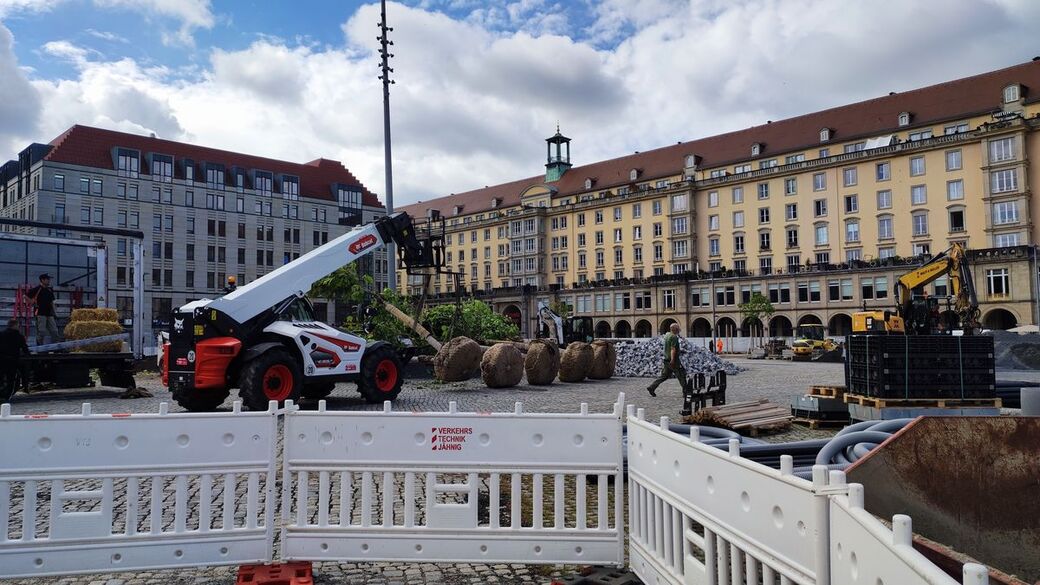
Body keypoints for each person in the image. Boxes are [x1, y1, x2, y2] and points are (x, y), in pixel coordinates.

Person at [647, 323, 692, 397]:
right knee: (681, 375)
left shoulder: (667, 335)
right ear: (675, 329)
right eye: (677, 328)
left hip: (666, 360)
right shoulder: (674, 337)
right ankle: (686, 392)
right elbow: (673, 349)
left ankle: (652, 387)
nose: (679, 330)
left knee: (664, 376)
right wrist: (673, 360)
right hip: (673, 361)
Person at [0, 318, 29, 400]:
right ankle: (7, 396)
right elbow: (25, 349)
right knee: (11, 379)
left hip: (1, 360)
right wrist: (28, 354)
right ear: (15, 325)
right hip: (13, 361)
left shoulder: (1, 334)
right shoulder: (19, 336)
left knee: (1, 376)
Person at [27, 273, 60, 346]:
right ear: (42, 280)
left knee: (54, 331)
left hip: (49, 314)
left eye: (49, 279)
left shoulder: (49, 290)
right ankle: (40, 348)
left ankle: (57, 347)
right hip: (40, 313)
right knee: (41, 332)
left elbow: (52, 302)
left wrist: (55, 313)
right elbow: (25, 296)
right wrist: (31, 301)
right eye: (47, 279)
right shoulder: (37, 289)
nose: (49, 281)